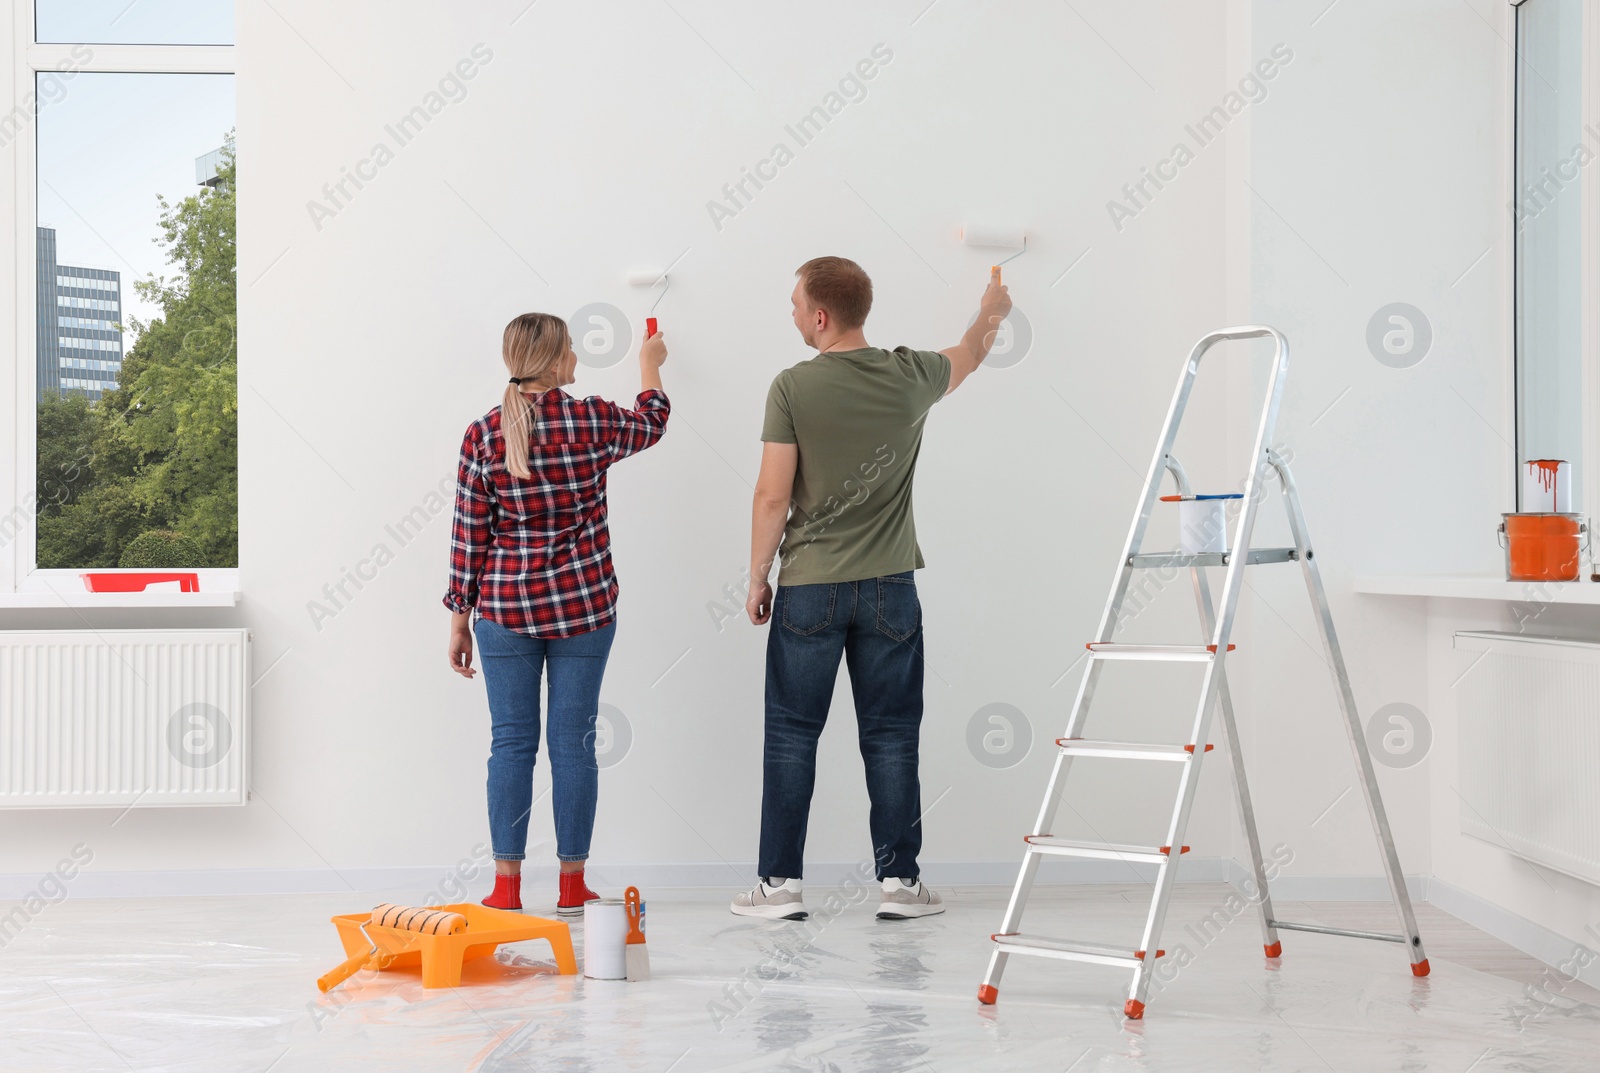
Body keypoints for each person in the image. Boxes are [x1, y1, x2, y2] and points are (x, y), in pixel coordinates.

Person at [732, 257, 1011, 921]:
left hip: (809, 589)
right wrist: (993, 307)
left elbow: (773, 494)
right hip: (890, 587)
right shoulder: (910, 375)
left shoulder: (792, 388)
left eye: (796, 305)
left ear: (821, 316)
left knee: (792, 735)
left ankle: (778, 886)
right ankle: (901, 884)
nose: (794, 315)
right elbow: (972, 351)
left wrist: (756, 577)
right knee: (889, 735)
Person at [445, 313, 669, 915]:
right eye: (571, 349)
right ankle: (572, 884)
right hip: (586, 606)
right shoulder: (590, 420)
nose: (577, 357)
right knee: (574, 743)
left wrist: (459, 615)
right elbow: (653, 423)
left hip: (505, 611)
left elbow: (471, 534)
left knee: (511, 745)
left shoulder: (484, 434)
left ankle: (506, 887)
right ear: (552, 362)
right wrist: (650, 364)